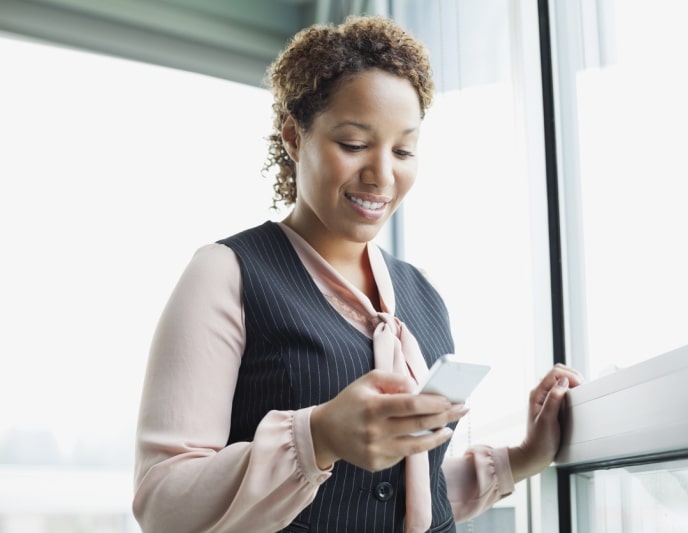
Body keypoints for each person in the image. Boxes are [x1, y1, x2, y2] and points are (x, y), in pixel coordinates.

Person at [132, 15, 582, 533]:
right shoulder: (225, 273)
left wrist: (525, 456)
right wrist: (317, 436)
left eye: (404, 149)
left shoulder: (424, 296)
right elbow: (163, 505)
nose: (383, 175)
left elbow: (402, 497)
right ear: (293, 137)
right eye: (353, 144)